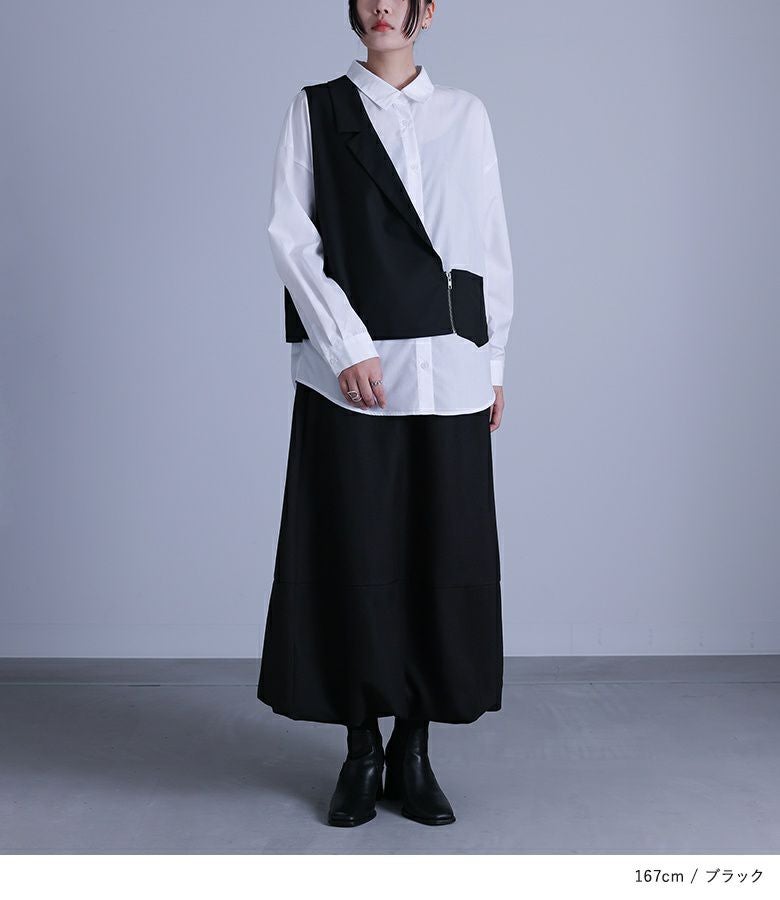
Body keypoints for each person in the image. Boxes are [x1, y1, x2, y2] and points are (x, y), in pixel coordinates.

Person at [257, 0, 514, 828]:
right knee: (355, 552)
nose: (379, 6)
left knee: (439, 555)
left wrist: (494, 362)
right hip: (354, 376)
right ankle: (361, 748)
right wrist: (346, 346)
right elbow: (292, 238)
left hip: (451, 370)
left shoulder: (465, 115)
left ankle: (415, 749)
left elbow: (485, 242)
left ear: (425, 11)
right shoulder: (317, 110)